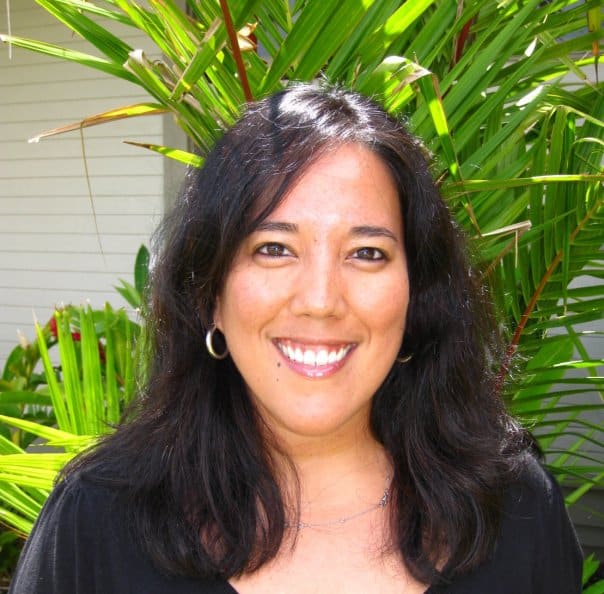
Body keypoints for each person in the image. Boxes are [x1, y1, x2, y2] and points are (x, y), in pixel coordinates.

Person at [9, 83, 582, 594]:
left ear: (415, 294)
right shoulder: (97, 522)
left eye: (367, 253)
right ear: (211, 292)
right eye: (274, 249)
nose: (319, 299)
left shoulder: (515, 512)